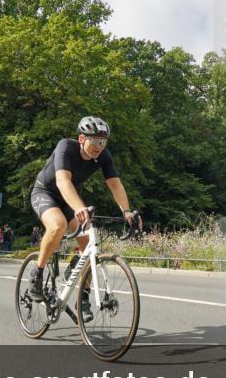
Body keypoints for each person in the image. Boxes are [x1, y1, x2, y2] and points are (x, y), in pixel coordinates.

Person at [27, 116, 142, 321]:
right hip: (46, 193)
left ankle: (83, 298)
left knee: (89, 244)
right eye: (95, 141)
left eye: (103, 141)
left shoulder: (104, 156)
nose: (100, 146)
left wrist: (127, 211)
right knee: (58, 225)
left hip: (70, 199)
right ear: (82, 139)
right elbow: (63, 181)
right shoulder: (66, 147)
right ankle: (36, 273)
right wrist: (79, 207)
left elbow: (115, 184)